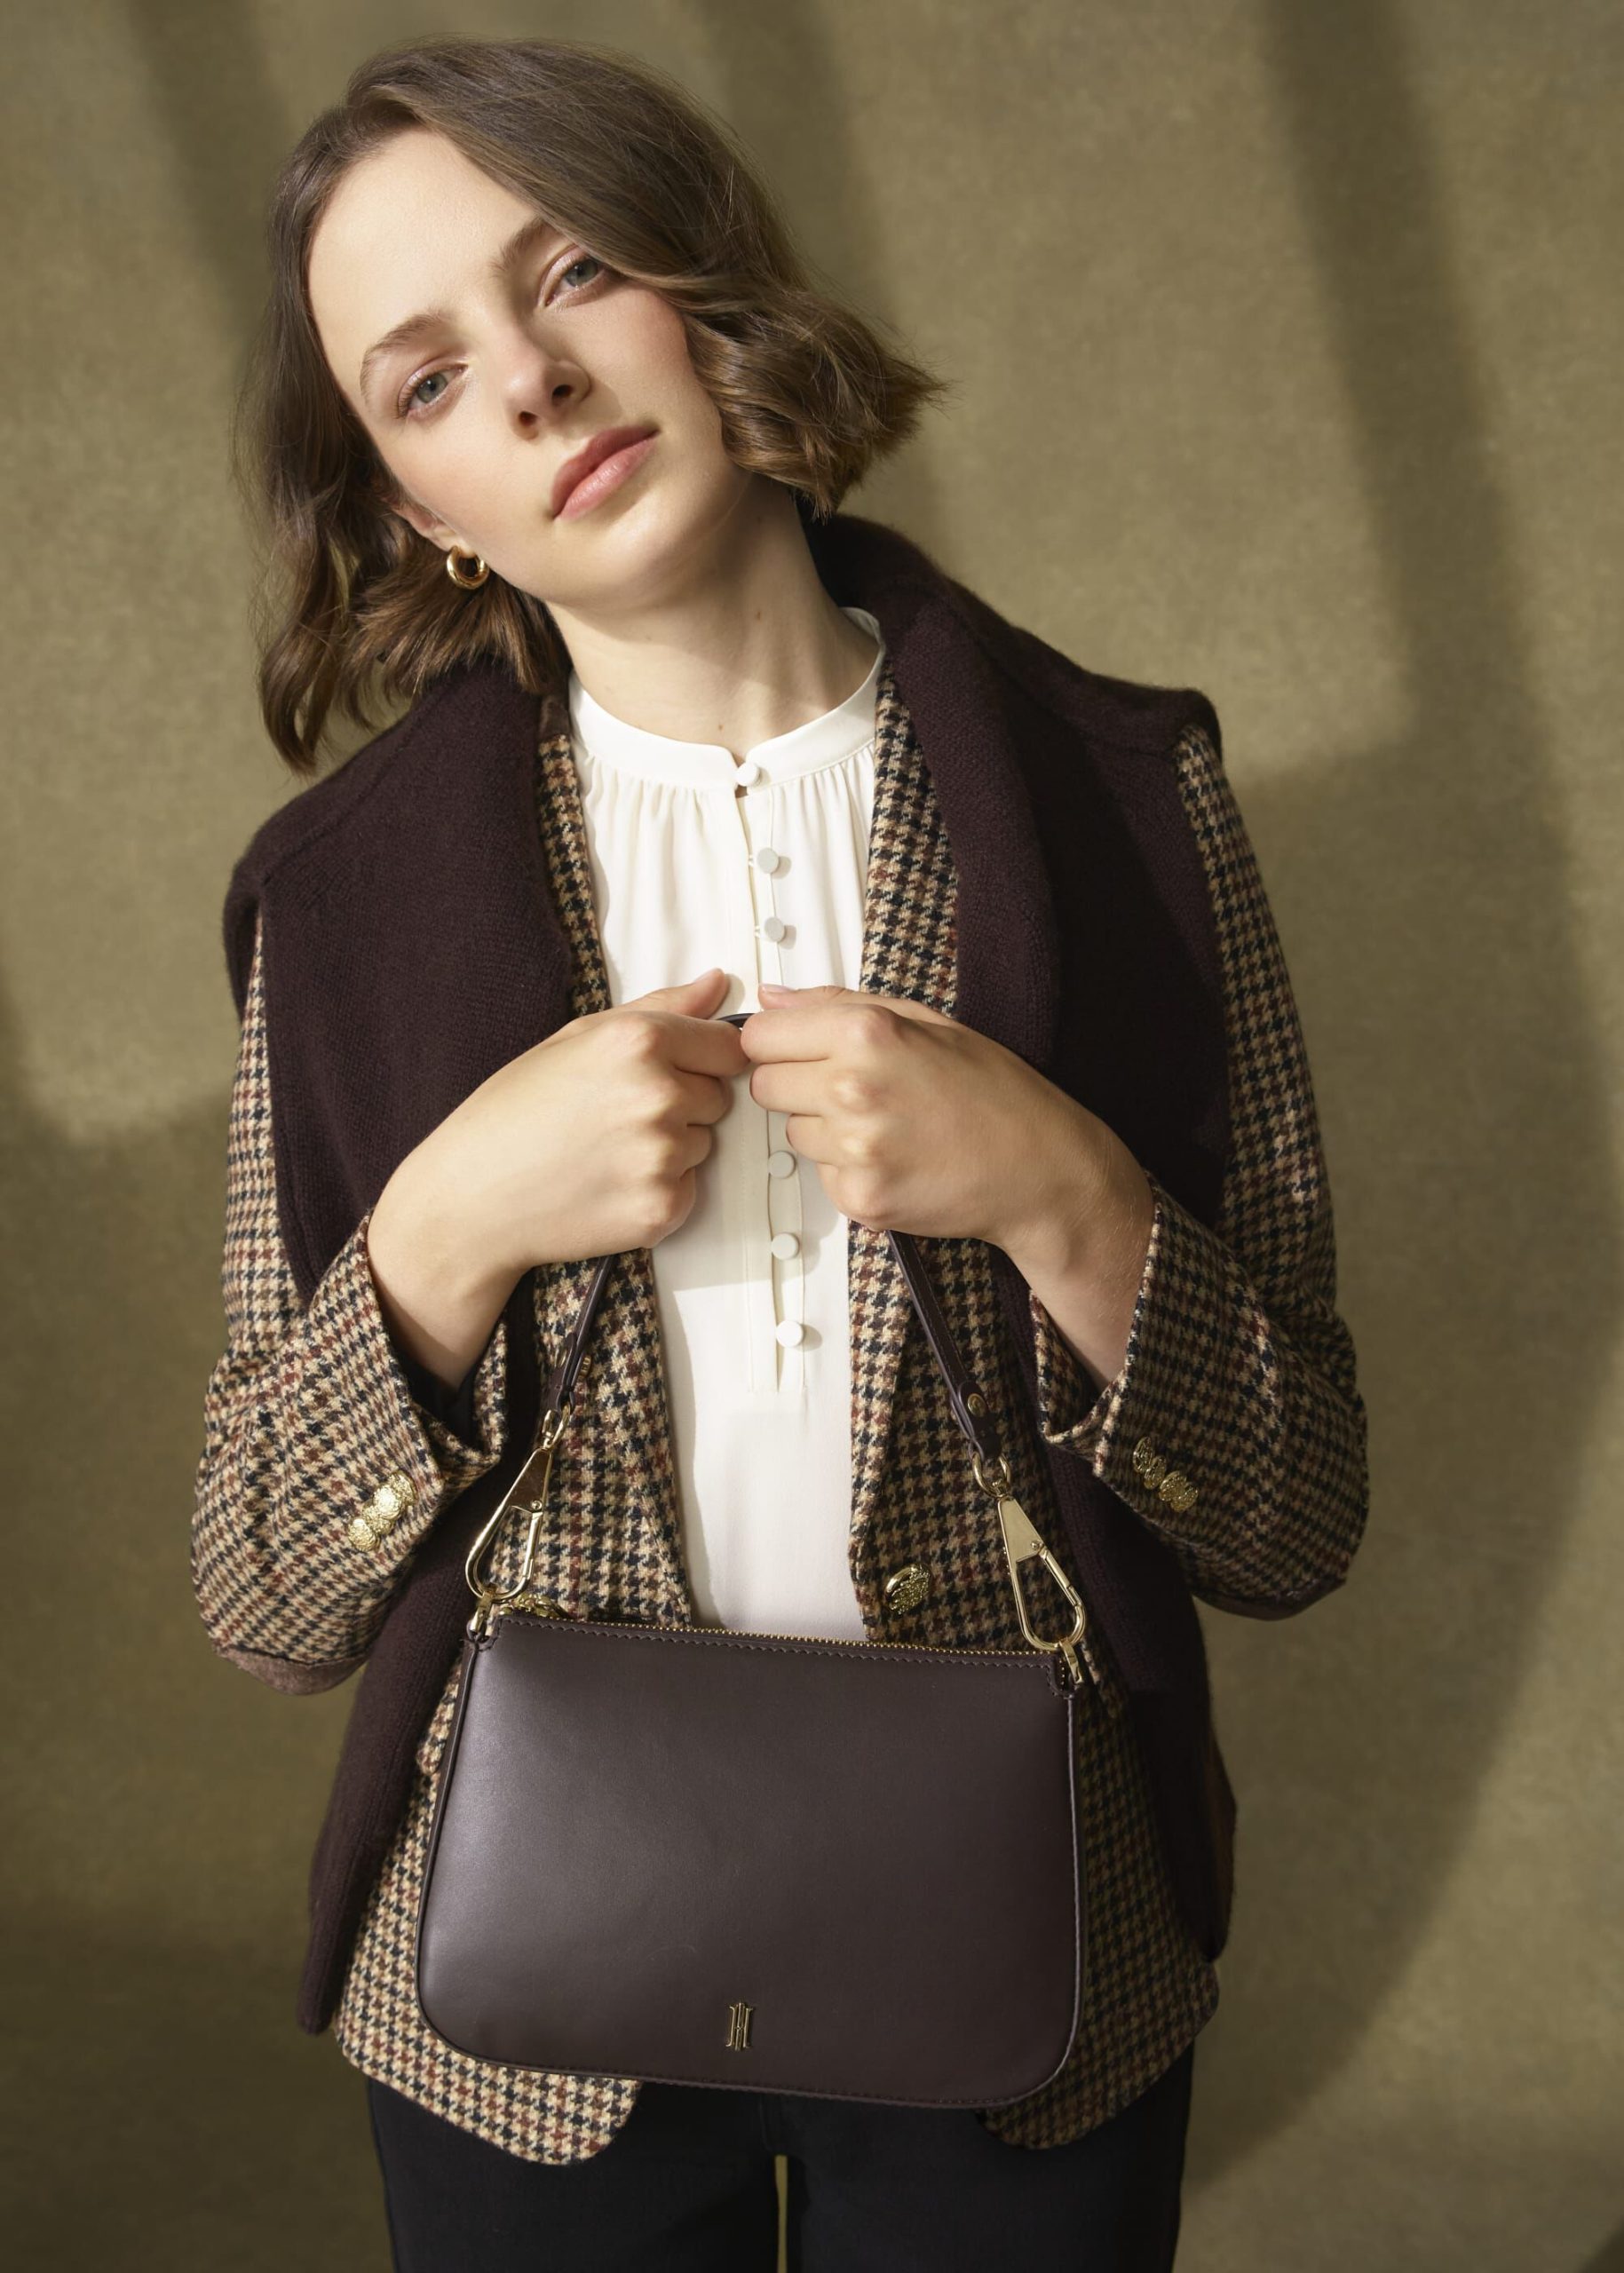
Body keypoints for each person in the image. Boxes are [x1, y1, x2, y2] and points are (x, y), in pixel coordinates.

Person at [191, 33, 1369, 2272]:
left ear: (706, 283)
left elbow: (1298, 1515)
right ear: (417, 504)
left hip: (1033, 1959)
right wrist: (445, 1229)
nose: (530, 383)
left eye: (573, 272)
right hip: (519, 2003)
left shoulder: (1130, 804)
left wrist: (1069, 1195)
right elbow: (263, 1594)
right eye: (424, 381)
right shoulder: (336, 906)